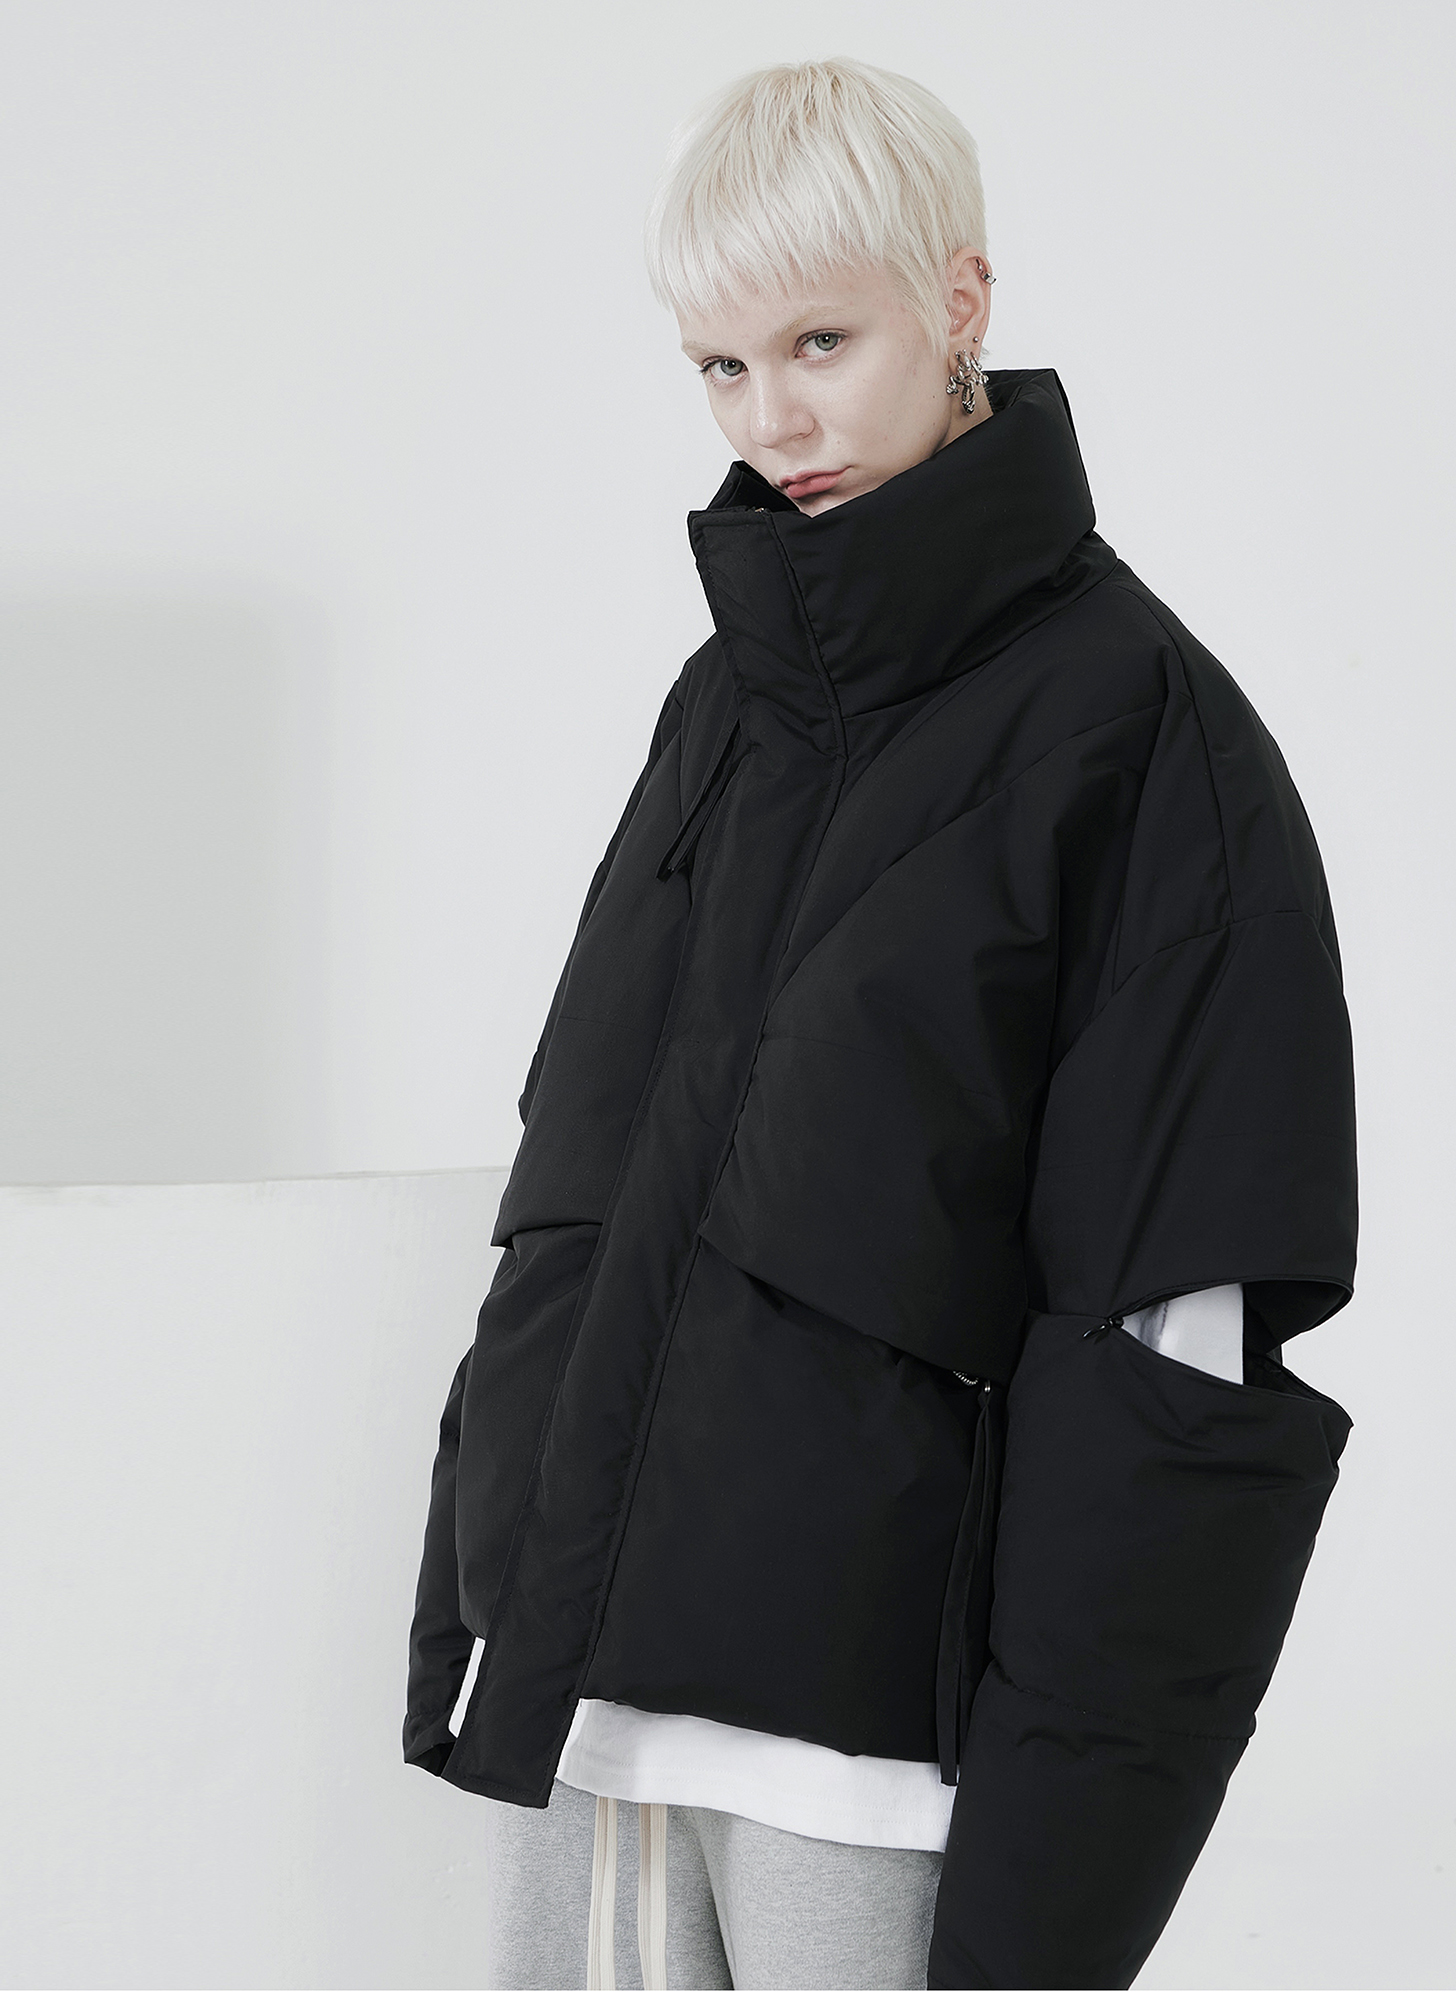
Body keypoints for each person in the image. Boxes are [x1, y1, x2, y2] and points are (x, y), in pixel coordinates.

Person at [404, 56, 1357, 1991]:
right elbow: (582, 1198)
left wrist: (1055, 1884)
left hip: (864, 1754)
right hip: (584, 1706)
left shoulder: (1142, 736)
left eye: (821, 341)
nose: (774, 420)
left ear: (961, 302)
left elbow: (1171, 1351)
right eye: (721, 366)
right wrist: (484, 1613)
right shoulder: (724, 710)